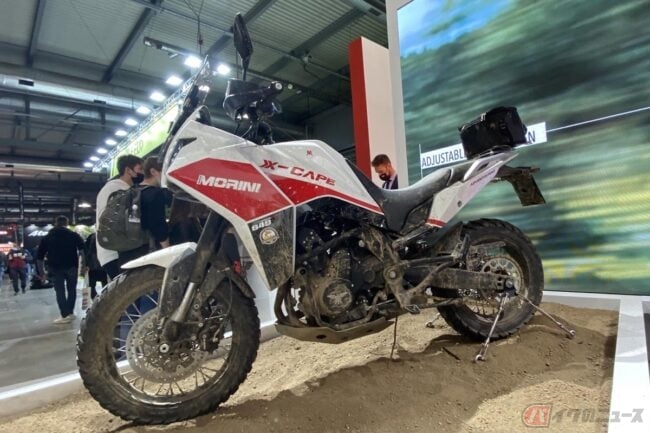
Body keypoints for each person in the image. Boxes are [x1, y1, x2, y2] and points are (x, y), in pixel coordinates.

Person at [95, 154, 145, 279]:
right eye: (140, 169)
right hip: (119, 252)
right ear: (128, 170)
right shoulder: (121, 189)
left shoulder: (109, 188)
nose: (143, 173)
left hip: (109, 253)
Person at [37, 216, 85, 324]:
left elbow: (39, 257)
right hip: (72, 266)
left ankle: (65, 314)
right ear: (66, 223)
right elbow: (82, 250)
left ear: (55, 223)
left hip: (55, 268)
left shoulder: (48, 237)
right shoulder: (73, 235)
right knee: (72, 290)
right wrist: (84, 266)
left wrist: (42, 273)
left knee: (60, 291)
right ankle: (70, 312)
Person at [139, 157, 172, 251]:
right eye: (163, 172)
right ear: (153, 171)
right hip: (151, 248)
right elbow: (158, 224)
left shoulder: (132, 191)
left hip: (133, 248)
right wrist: (167, 249)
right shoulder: (155, 193)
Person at [84, 233, 107, 299]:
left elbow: (86, 251)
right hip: (103, 265)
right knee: (105, 285)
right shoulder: (104, 236)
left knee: (91, 286)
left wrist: (86, 264)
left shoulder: (91, 237)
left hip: (92, 267)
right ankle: (104, 299)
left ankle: (96, 300)